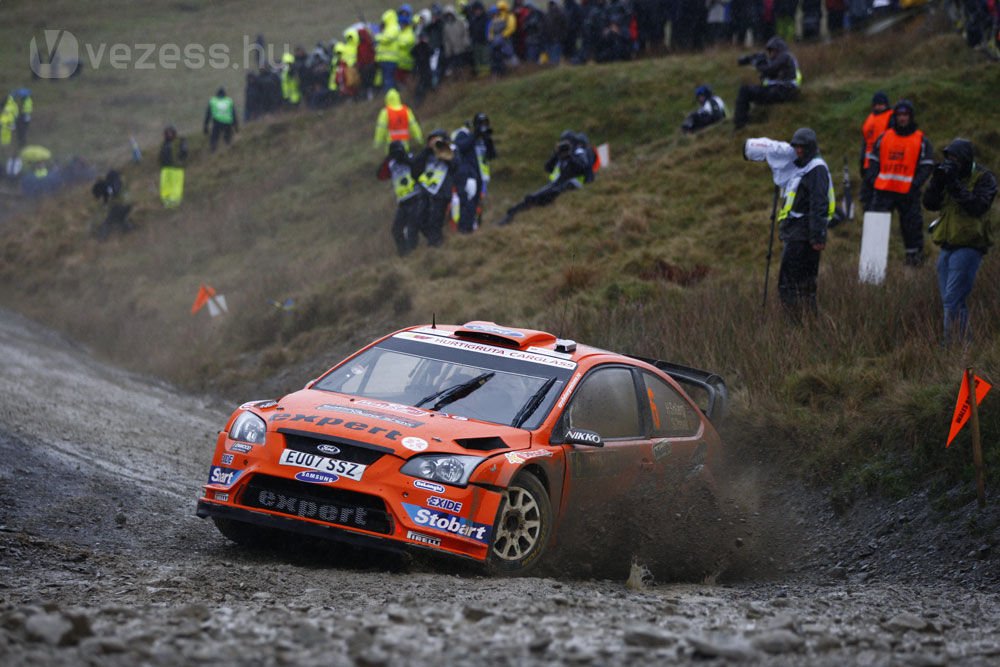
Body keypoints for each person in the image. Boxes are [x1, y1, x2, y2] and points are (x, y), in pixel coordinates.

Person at [923, 139, 997, 344]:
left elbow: (978, 206)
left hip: (970, 246)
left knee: (953, 299)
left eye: (955, 158)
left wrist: (955, 184)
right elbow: (929, 204)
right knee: (950, 300)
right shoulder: (947, 176)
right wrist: (937, 182)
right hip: (947, 245)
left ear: (965, 160)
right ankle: (964, 345)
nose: (951, 163)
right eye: (949, 158)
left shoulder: (984, 178)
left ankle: (953, 346)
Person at [864, 99, 935, 266]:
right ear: (895, 117)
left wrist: (914, 185)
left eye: (905, 115)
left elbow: (927, 166)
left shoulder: (921, 140)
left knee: (912, 231)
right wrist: (874, 180)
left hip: (908, 193)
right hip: (883, 191)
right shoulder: (884, 138)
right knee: (875, 231)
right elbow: (872, 160)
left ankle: (914, 266)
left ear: (911, 117)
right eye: (899, 115)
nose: (902, 118)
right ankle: (871, 268)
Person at [775, 128, 834, 318]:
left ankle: (795, 323)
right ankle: (807, 321)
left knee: (791, 284)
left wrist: (818, 237)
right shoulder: (803, 167)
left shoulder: (815, 169)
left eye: (801, 147)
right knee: (803, 284)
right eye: (796, 146)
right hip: (798, 232)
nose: (798, 150)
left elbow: (819, 204)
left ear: (810, 147)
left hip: (803, 234)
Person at [496, 129, 595, 226]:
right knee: (531, 198)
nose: (565, 144)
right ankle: (511, 215)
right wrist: (556, 154)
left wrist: (569, 156)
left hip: (566, 186)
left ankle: (512, 216)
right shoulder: (563, 155)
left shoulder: (579, 152)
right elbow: (548, 168)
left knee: (535, 198)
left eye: (567, 142)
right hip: (556, 185)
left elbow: (582, 166)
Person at [733, 36, 801, 130]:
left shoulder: (785, 56)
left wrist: (757, 63)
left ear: (778, 49)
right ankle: (745, 120)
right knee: (750, 90)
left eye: (771, 51)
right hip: (783, 90)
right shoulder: (787, 58)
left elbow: (769, 69)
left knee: (744, 90)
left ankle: (739, 125)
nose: (770, 54)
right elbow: (770, 77)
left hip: (783, 91)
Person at [377, 140, 429, 256]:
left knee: (413, 228)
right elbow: (380, 175)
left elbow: (418, 168)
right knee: (396, 230)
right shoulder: (391, 164)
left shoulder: (411, 158)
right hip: (402, 202)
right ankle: (404, 254)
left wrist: (405, 158)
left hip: (416, 198)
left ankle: (414, 253)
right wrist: (388, 158)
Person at [417, 129, 456, 246]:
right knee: (420, 220)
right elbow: (415, 168)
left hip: (442, 192)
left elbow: (456, 166)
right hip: (426, 192)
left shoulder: (452, 151)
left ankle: (436, 244)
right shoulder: (426, 154)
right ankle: (435, 240)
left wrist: (444, 152)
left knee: (436, 221)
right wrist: (427, 150)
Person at [859, 91, 892, 211]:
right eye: (876, 104)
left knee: (880, 200)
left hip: (883, 165)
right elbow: (865, 143)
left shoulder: (891, 117)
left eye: (881, 104)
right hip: (869, 165)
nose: (878, 107)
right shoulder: (870, 119)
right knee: (867, 198)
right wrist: (862, 162)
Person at [373, 88, 423, 153]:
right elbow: (414, 126)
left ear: (387, 99)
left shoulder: (385, 112)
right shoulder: (406, 110)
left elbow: (380, 129)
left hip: (391, 147)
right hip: (405, 147)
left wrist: (377, 143)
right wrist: (419, 139)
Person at [91, 169, 134, 240]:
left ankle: (101, 238)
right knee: (119, 219)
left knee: (108, 221)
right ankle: (129, 229)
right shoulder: (118, 182)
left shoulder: (109, 186)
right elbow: (107, 199)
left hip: (121, 205)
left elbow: (112, 194)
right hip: (128, 204)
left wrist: (108, 202)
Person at [472, 111, 496, 223]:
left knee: (480, 200)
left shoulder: (487, 140)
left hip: (483, 175)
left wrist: (488, 140)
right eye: (481, 124)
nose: (483, 127)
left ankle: (478, 221)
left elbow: (492, 155)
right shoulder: (471, 138)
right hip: (472, 174)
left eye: (485, 124)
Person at [159, 126, 188, 208]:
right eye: (167, 133)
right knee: (165, 187)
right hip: (165, 168)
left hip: (176, 168)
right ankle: (166, 202)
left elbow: (185, 152)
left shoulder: (180, 141)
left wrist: (180, 159)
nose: (168, 135)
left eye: (170, 132)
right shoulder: (164, 143)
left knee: (175, 187)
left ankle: (175, 203)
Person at [203, 87, 239, 152]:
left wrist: (205, 126)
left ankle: (213, 152)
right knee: (228, 139)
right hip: (227, 122)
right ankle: (229, 151)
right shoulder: (229, 101)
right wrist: (236, 126)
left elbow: (208, 114)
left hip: (217, 122)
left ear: (217, 94)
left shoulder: (213, 101)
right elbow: (233, 114)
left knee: (214, 139)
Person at [376, 9, 402, 92]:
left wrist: (377, 37)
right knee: (387, 79)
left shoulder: (393, 28)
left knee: (388, 80)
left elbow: (387, 39)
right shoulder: (388, 28)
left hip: (390, 59)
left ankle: (390, 94)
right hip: (385, 59)